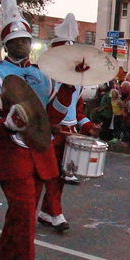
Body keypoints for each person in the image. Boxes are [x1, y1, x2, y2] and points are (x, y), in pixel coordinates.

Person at [0, 0, 76, 260]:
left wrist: (69, 88)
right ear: (6, 44)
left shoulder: (42, 76)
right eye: (16, 41)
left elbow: (50, 118)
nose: (23, 45)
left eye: (26, 40)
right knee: (23, 215)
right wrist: (9, 123)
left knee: (21, 215)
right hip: (11, 153)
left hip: (38, 152)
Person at [37, 14, 99, 232]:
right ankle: (56, 212)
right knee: (52, 174)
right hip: (49, 132)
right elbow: (35, 109)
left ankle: (46, 212)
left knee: (62, 175)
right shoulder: (43, 78)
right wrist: (48, 124)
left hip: (69, 133)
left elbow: (77, 112)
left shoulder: (77, 83)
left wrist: (88, 125)